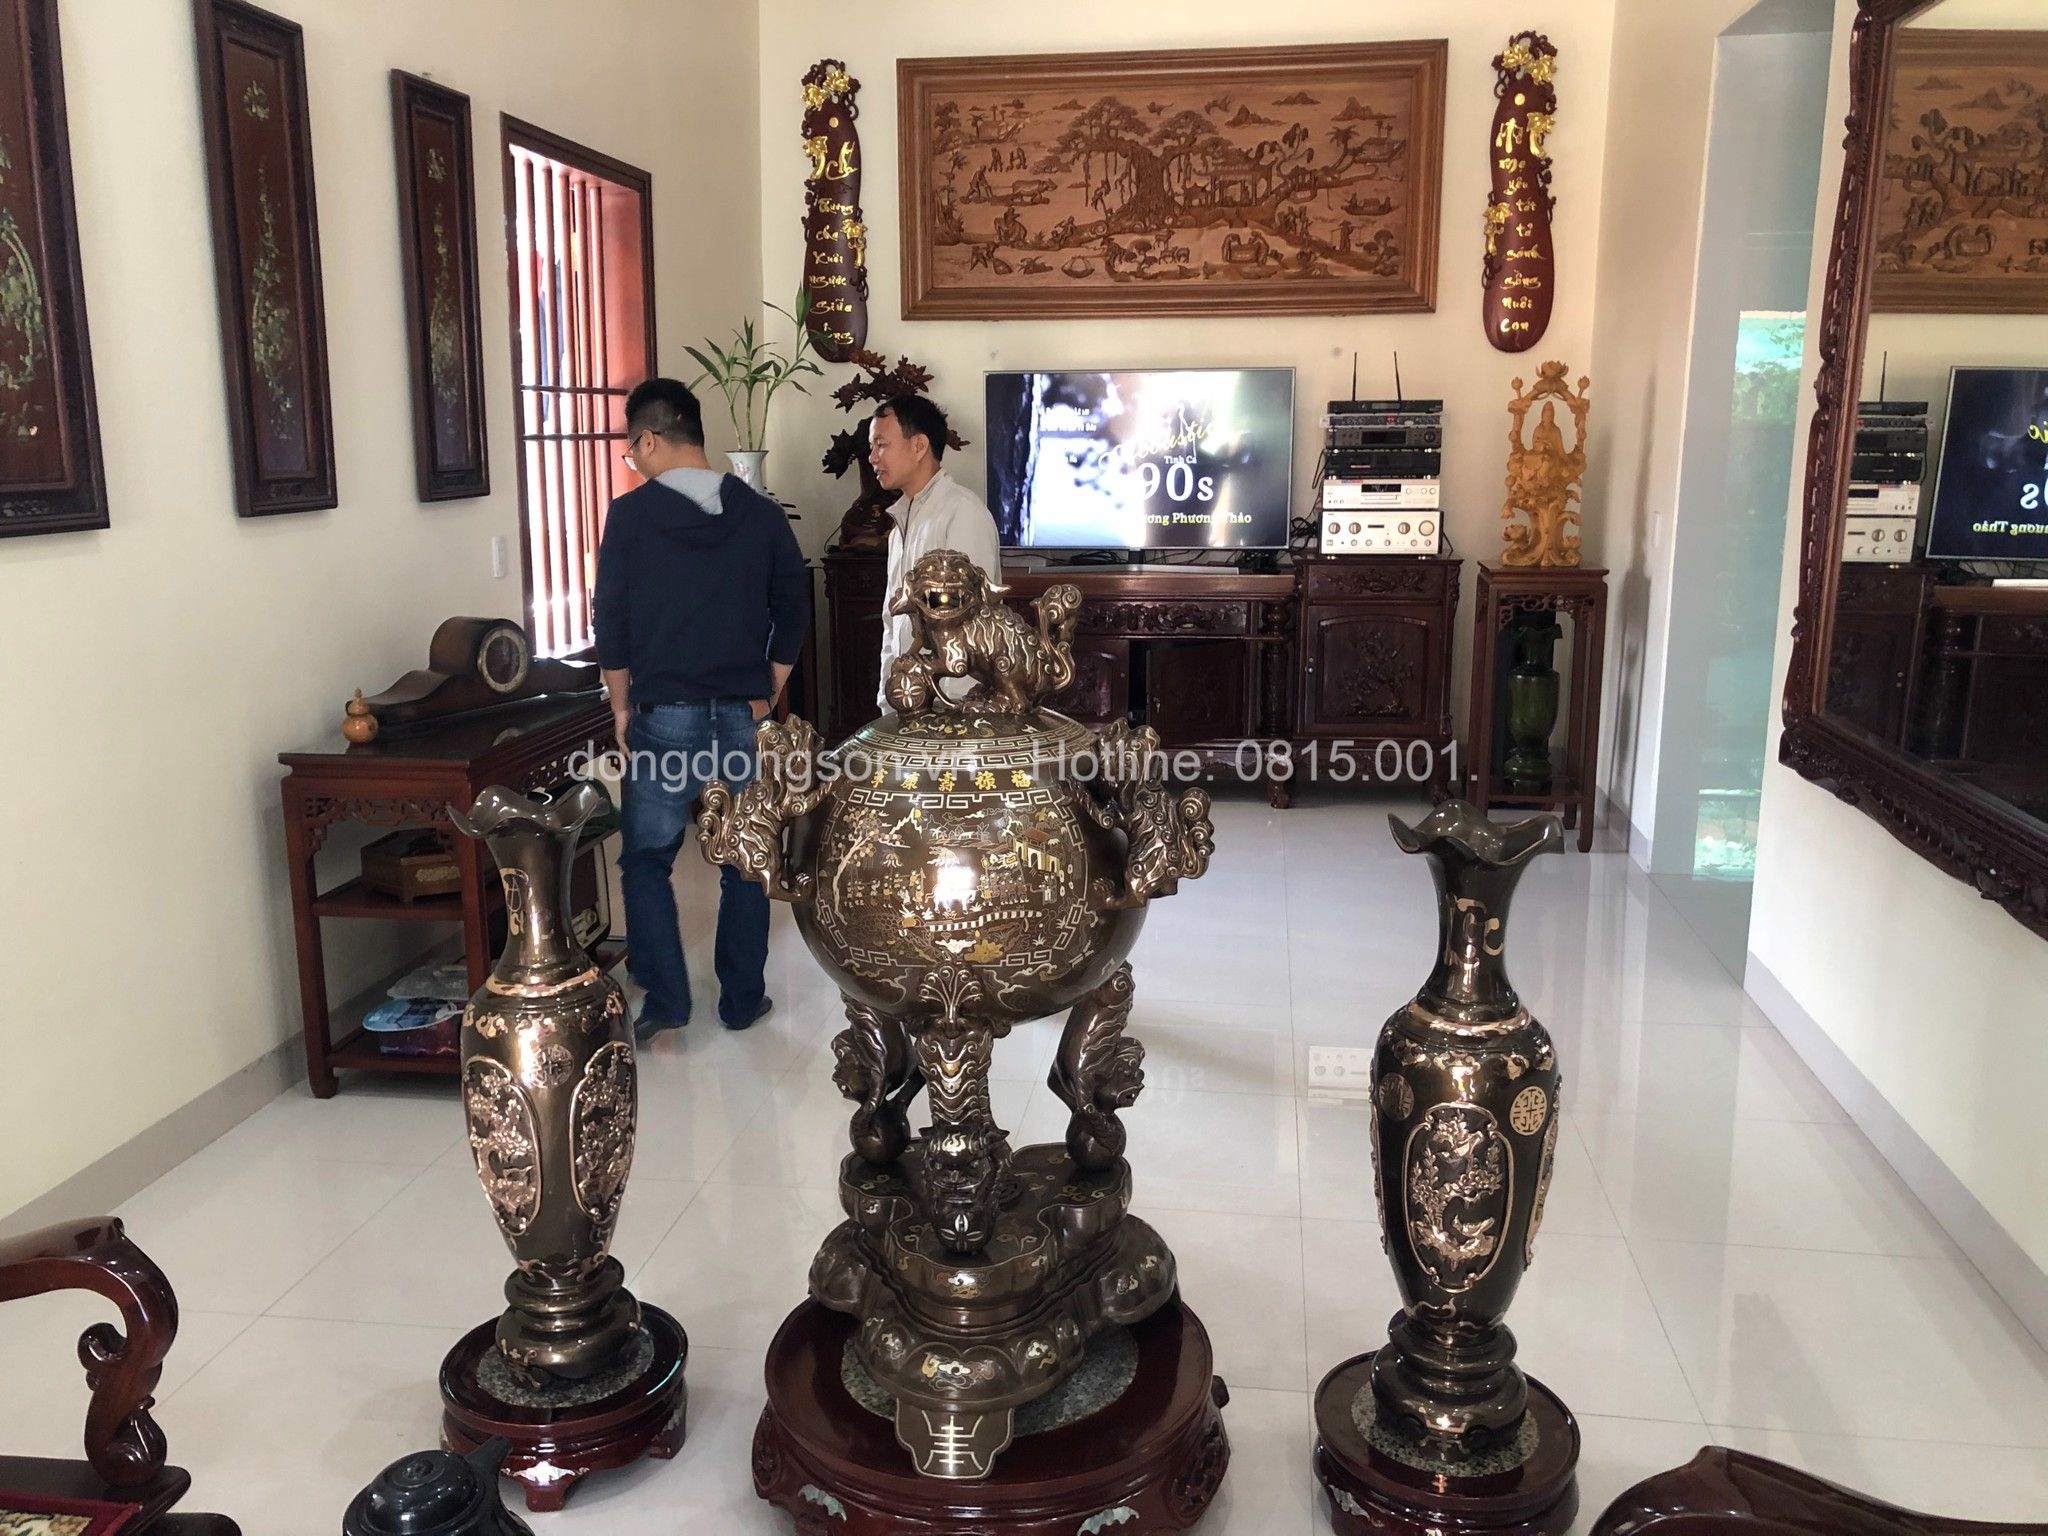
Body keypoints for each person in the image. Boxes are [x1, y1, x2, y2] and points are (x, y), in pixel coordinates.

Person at [594, 378, 810, 1039]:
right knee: (745, 857)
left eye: (631, 450)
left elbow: (612, 623)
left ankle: (666, 1003)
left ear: (649, 440)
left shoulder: (630, 518)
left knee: (647, 859)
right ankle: (742, 1001)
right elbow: (794, 606)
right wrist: (769, 688)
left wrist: (622, 709)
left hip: (665, 712)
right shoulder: (760, 513)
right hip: (744, 714)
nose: (633, 462)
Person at [867, 395, 1003, 708]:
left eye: (881, 445)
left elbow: (971, 625)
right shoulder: (901, 524)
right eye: (871, 447)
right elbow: (892, 623)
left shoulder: (962, 513)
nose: (873, 458)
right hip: (910, 704)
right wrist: (888, 701)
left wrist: (954, 709)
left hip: (955, 709)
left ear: (919, 446)